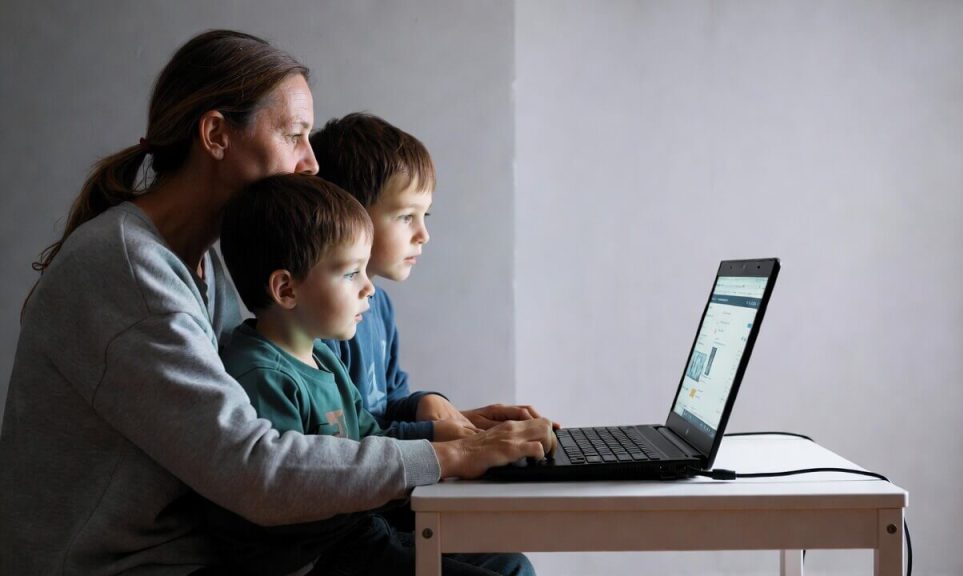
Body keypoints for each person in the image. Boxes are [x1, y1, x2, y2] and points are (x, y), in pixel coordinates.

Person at [0, 30, 553, 575]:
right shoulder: (128, 271)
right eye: (295, 135)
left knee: (500, 564)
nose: (311, 163)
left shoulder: (204, 263)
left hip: (213, 552)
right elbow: (253, 468)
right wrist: (449, 456)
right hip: (137, 566)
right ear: (217, 134)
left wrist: (452, 433)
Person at [212, 172, 534, 575]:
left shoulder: (323, 359)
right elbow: (282, 492)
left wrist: (450, 434)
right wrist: (454, 452)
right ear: (286, 290)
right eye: (351, 273)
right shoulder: (261, 376)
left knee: (512, 565)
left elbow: (372, 439)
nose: (368, 288)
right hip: (316, 557)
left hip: (359, 531)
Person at [312, 113, 545, 443]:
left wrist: (423, 403)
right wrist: (440, 435)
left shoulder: (379, 306)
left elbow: (386, 406)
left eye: (425, 216)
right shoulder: (325, 319)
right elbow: (346, 438)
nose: (423, 234)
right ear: (350, 216)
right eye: (407, 217)